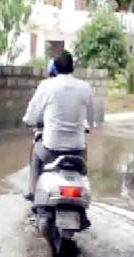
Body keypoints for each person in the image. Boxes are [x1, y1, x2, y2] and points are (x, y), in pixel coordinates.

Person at [23, 50, 95, 200]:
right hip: (77, 151)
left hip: (51, 149)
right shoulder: (85, 87)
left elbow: (31, 115)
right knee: (83, 162)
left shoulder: (46, 86)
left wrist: (29, 122)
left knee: (36, 148)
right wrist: (86, 125)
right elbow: (90, 119)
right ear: (72, 67)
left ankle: (32, 191)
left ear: (55, 68)